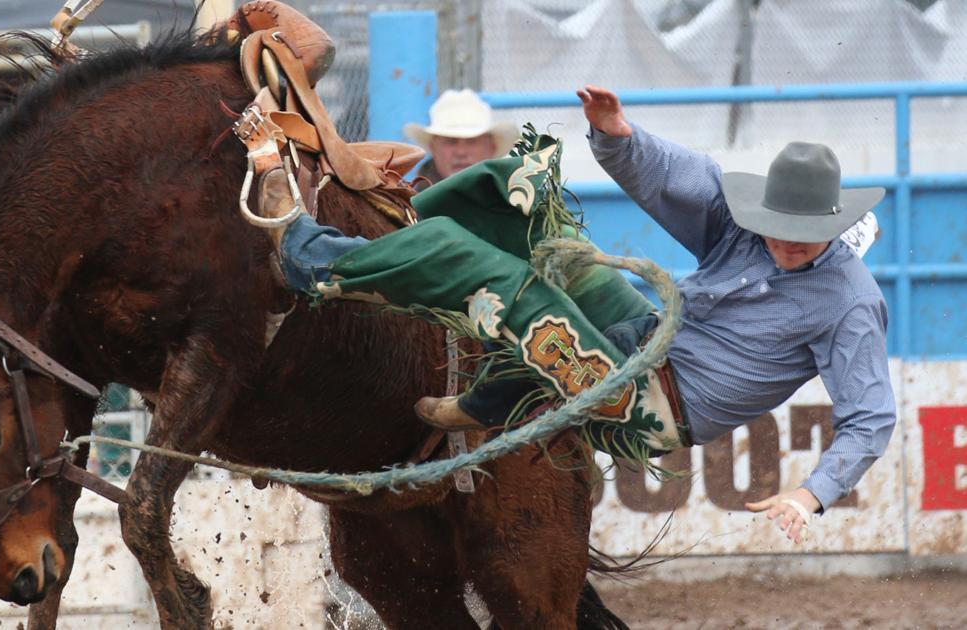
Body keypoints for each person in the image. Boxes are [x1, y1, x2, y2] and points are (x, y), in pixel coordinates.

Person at [246, 84, 895, 547]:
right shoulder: (744, 227)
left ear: (829, 228)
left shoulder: (848, 303)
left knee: (494, 280)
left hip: (653, 406)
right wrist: (618, 137)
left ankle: (310, 257)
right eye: (771, 226)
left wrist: (809, 495)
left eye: (798, 235)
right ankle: (407, 236)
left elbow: (869, 416)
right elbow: (683, 177)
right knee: (526, 202)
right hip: (640, 336)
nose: (781, 242)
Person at [403, 89, 519, 189]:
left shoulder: (518, 205)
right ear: (433, 148)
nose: (461, 152)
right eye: (451, 142)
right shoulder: (407, 208)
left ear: (492, 147)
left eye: (472, 142)